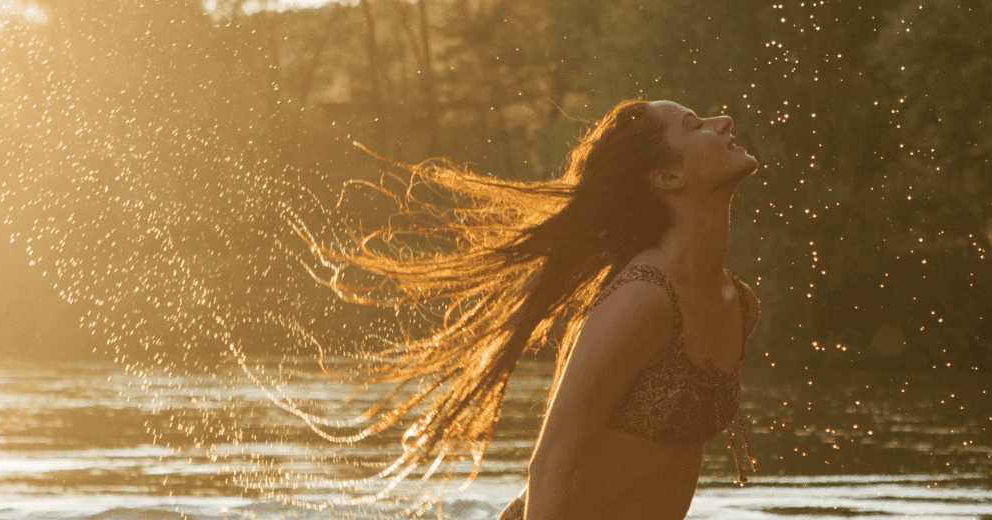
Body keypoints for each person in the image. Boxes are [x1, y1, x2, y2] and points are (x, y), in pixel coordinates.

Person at [301, 99, 760, 519]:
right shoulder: (643, 299)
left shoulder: (738, 304)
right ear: (668, 177)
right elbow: (551, 464)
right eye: (695, 125)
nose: (723, 122)